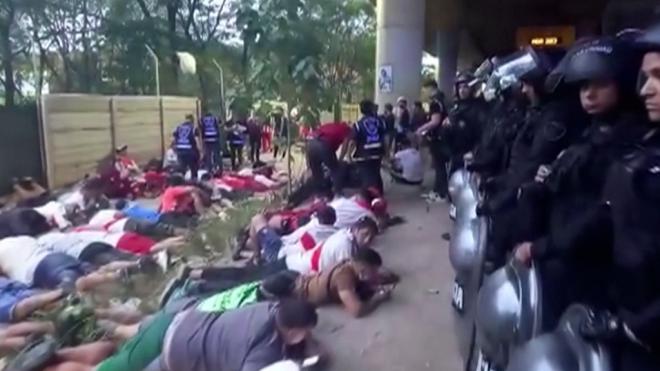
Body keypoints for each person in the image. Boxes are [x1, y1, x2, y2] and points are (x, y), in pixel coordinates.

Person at [513, 36, 649, 328]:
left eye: (600, 84)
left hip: (590, 273)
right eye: (584, 86)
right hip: (564, 257)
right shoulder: (591, 131)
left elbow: (601, 217)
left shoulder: (630, 141)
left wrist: (541, 248)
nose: (589, 94)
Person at [159, 299, 320, 371]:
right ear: (293, 332)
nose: (307, 336)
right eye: (305, 332)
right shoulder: (267, 349)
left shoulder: (270, 307)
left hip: (184, 321)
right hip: (179, 354)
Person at [348, 99, 388, 194]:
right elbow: (385, 138)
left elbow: (353, 141)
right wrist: (387, 152)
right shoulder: (380, 122)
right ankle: (379, 194)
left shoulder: (358, 124)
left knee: (366, 176)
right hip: (378, 152)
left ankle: (369, 197)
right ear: (371, 108)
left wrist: (349, 154)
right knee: (376, 172)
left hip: (363, 154)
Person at [306, 122, 352, 196]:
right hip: (323, 144)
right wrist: (340, 159)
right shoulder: (347, 130)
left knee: (316, 172)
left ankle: (320, 194)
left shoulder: (332, 126)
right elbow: (345, 146)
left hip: (311, 143)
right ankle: (337, 193)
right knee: (336, 169)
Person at [416, 100, 449, 200]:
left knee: (439, 166)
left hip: (438, 140)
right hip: (439, 139)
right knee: (439, 166)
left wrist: (421, 129)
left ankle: (441, 192)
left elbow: (435, 121)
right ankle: (438, 190)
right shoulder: (440, 103)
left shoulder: (435, 103)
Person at [173, 114, 201, 180]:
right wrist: (200, 150)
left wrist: (175, 148)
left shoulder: (178, 127)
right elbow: (196, 140)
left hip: (180, 150)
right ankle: (194, 180)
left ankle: (181, 182)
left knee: (182, 167)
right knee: (193, 167)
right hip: (190, 151)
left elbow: (174, 138)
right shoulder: (194, 128)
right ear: (192, 120)